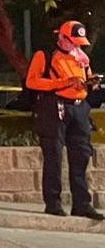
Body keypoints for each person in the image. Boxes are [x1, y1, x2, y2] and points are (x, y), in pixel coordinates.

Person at [25, 20, 103, 220]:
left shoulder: (81, 57)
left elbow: (87, 75)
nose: (75, 45)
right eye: (72, 41)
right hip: (55, 107)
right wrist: (62, 82)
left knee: (81, 155)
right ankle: (53, 203)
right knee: (54, 156)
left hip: (79, 108)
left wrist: (91, 83)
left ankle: (82, 204)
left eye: (78, 42)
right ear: (61, 37)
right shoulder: (45, 55)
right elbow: (32, 81)